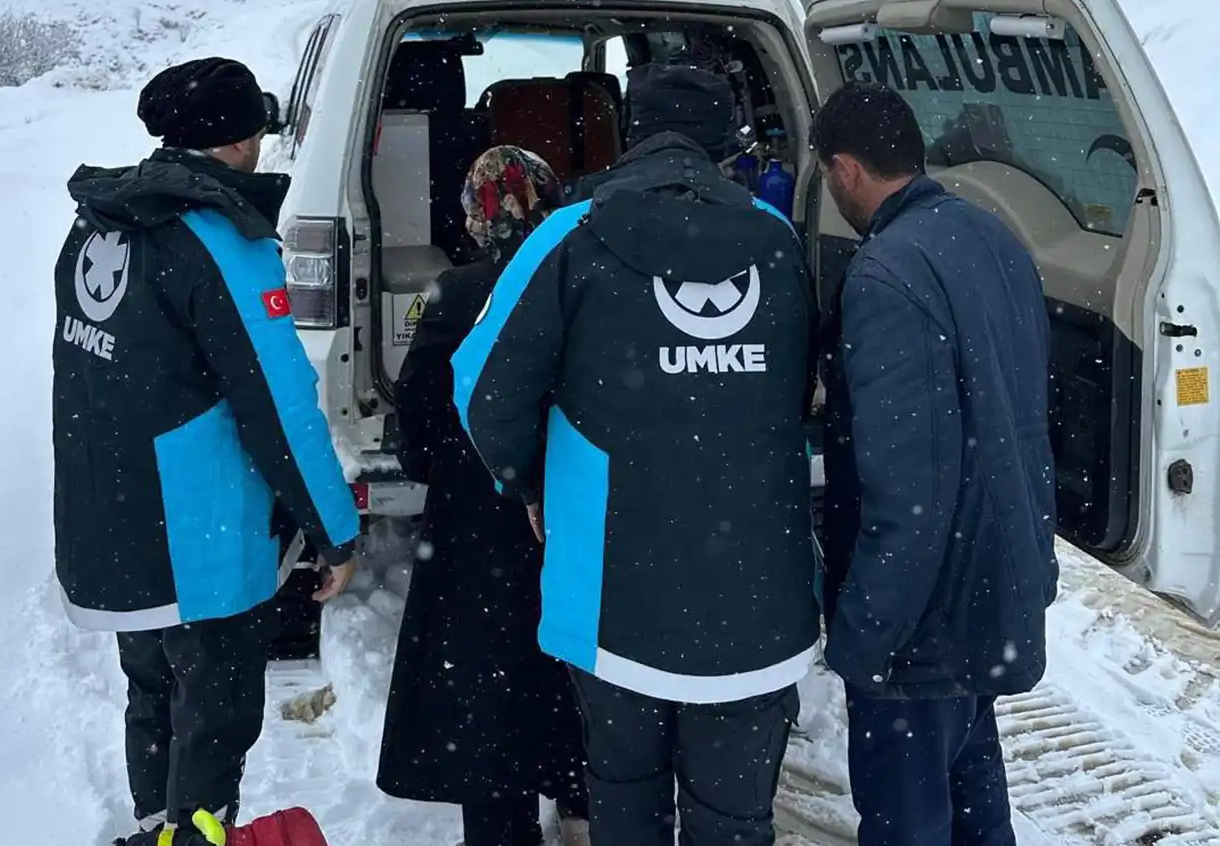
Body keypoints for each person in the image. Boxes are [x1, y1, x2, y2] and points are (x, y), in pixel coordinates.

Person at [450, 64, 821, 846]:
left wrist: (531, 483)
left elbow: (482, 387)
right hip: (757, 597)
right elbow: (795, 395)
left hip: (613, 595)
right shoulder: (779, 242)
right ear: (729, 144)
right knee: (734, 818)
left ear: (628, 135)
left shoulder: (569, 235)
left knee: (626, 796)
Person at [52, 57, 362, 846]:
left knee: (153, 695)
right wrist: (333, 530)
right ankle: (193, 837)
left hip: (113, 519)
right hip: (198, 539)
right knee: (214, 718)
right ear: (239, 138)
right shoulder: (218, 238)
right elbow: (280, 402)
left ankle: (158, 830)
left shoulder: (103, 222)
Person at [813, 81, 1058, 846]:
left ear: (846, 169)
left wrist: (868, 629)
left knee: (907, 820)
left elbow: (905, 486)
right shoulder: (991, 236)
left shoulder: (886, 272)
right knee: (975, 791)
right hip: (994, 576)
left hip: (924, 618)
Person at [377, 145, 590, 846]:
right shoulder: (583, 276)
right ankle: (583, 800)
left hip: (476, 529)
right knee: (573, 679)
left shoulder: (460, 292)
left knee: (490, 697)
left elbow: (417, 424)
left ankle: (504, 828)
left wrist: (461, 472)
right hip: (570, 516)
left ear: (475, 213)